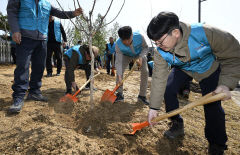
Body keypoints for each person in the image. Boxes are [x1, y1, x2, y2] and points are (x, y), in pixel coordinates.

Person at [146, 12, 240, 154]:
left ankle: (217, 145)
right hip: (184, 69)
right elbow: (159, 78)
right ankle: (177, 123)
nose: (158, 46)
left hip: (209, 69)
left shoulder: (205, 33)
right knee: (168, 89)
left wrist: (226, 84)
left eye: (160, 41)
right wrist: (153, 107)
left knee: (212, 105)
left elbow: (233, 55)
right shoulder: (161, 51)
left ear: (176, 32)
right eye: (155, 43)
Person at [7, 0, 83, 113]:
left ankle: (34, 92)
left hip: (42, 39)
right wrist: (15, 30)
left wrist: (73, 13)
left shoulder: (46, 4)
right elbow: (12, 12)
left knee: (39, 66)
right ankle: (18, 96)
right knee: (23, 66)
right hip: (24, 38)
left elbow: (59, 13)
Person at [115, 26, 149, 105]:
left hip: (140, 54)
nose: (127, 42)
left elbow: (146, 48)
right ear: (120, 38)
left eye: (128, 39)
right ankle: (119, 94)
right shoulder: (118, 44)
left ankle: (142, 96)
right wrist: (120, 77)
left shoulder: (140, 37)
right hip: (126, 55)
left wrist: (141, 57)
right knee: (119, 72)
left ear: (132, 35)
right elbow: (119, 62)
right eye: (124, 40)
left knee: (145, 71)